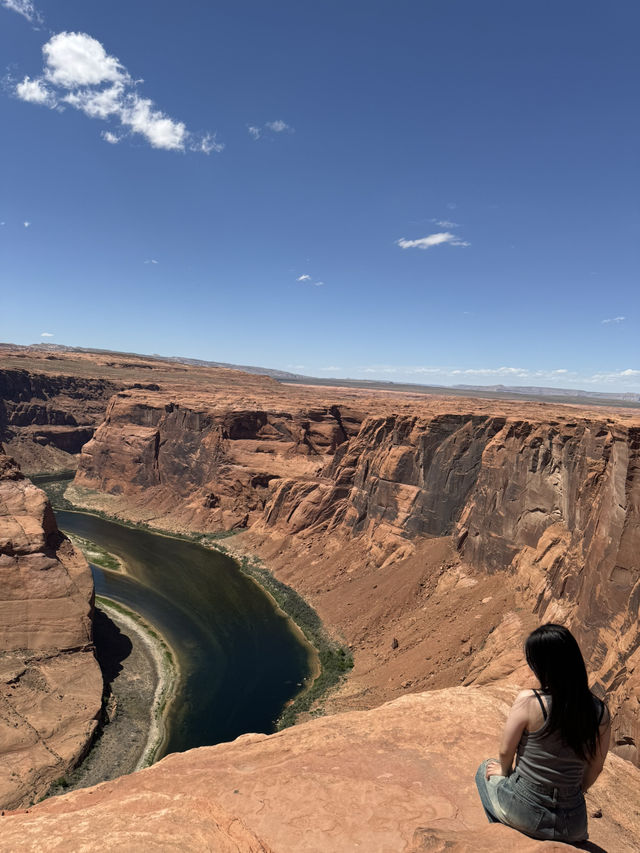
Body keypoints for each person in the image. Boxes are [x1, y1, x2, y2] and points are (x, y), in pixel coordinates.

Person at [475, 623, 610, 843]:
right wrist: (574, 792)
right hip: (573, 824)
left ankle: (505, 840)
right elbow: (596, 767)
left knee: (484, 770)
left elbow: (505, 749)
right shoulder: (601, 712)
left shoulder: (530, 701)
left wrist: (505, 771)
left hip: (525, 809)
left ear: (544, 667)